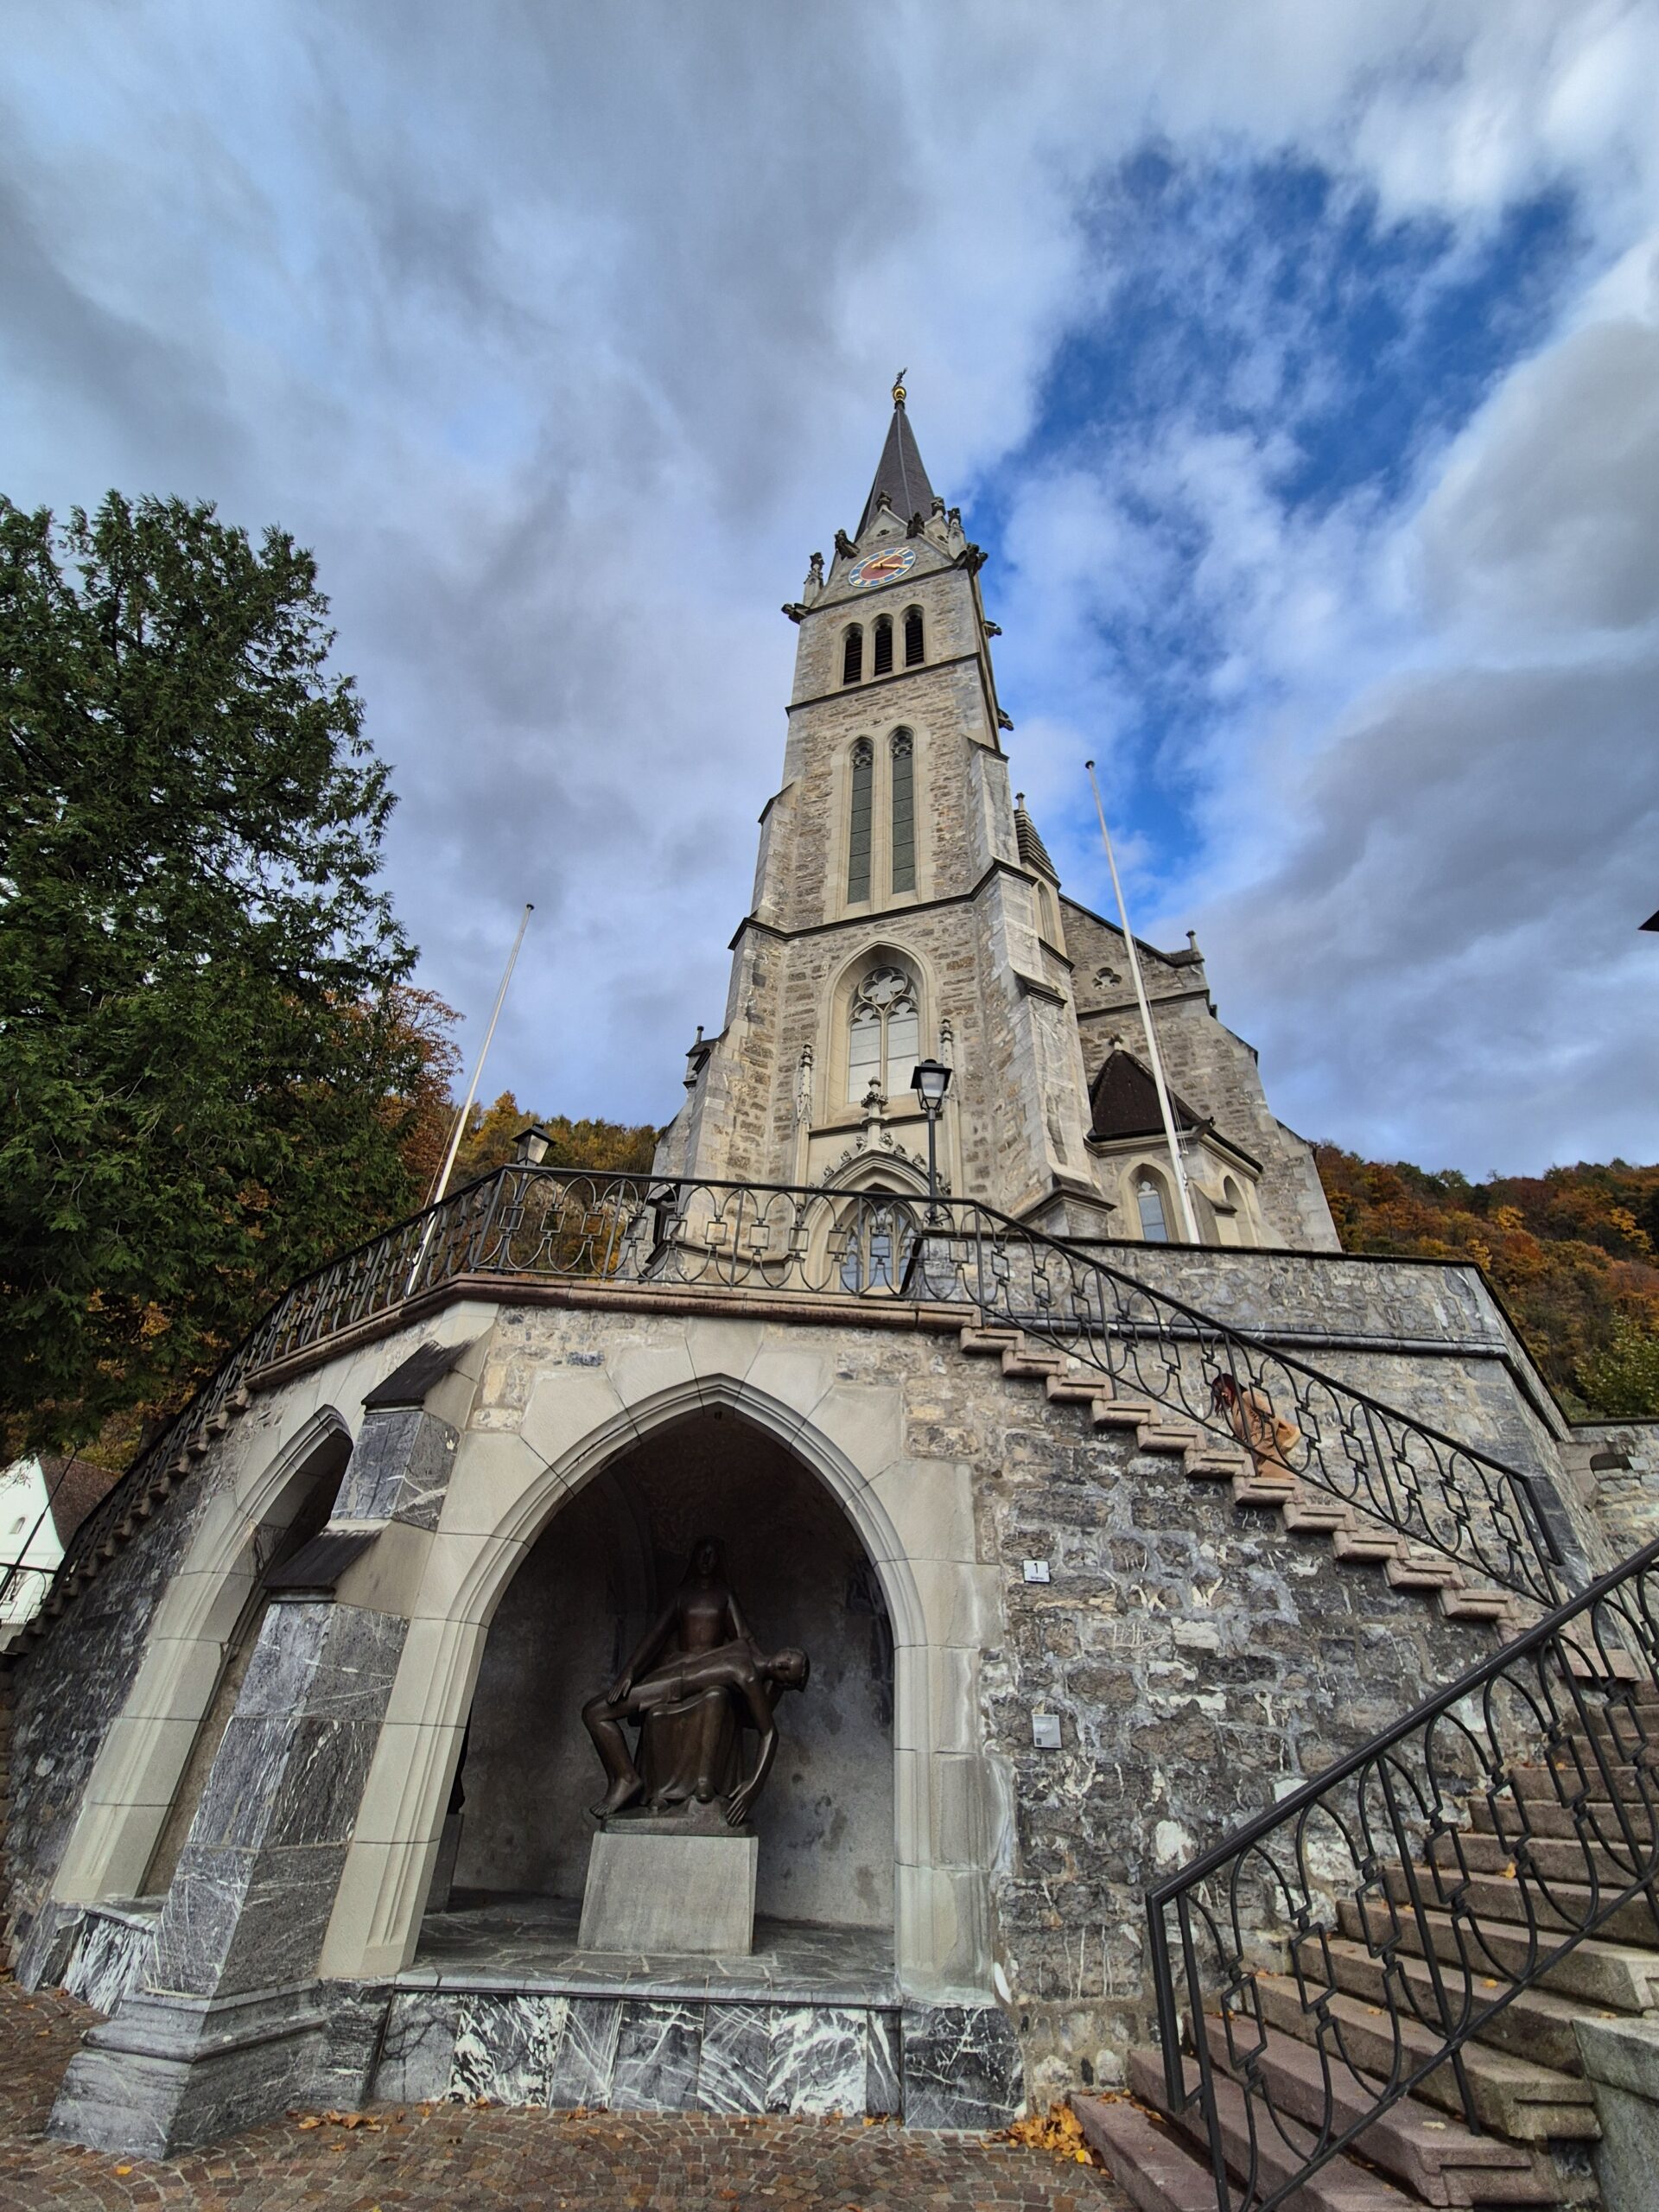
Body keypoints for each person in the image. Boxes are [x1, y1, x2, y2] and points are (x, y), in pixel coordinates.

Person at [581, 1535, 809, 1827]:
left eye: (788, 1669)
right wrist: (630, 1672)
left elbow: (768, 1732)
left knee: (595, 1713)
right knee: (594, 1712)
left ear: (785, 1682)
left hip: (672, 1689)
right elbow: (656, 1637)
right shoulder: (746, 1645)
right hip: (668, 1673)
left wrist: (754, 1786)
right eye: (790, 1656)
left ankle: (627, 1778)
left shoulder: (749, 1676)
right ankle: (626, 1775)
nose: (785, 1662)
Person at [1210, 1372, 1301, 1478]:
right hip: (1256, 1458)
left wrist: (1262, 1445)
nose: (1223, 1394)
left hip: (1267, 1455)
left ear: (1231, 1385)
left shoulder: (1246, 1397)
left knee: (1281, 1483)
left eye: (1223, 1389)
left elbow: (1271, 1418)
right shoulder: (1235, 1408)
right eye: (1218, 1392)